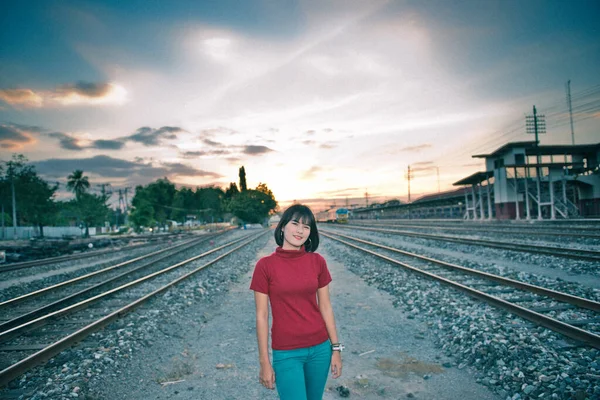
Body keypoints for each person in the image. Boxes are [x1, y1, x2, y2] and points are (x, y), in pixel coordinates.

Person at [250, 204, 343, 400]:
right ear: (282, 227)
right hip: (286, 353)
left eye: (306, 227)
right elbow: (262, 316)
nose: (300, 230)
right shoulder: (265, 266)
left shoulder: (318, 262)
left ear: (311, 233)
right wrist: (264, 362)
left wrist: (335, 349)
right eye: (295, 223)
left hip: (320, 350)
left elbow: (325, 307)